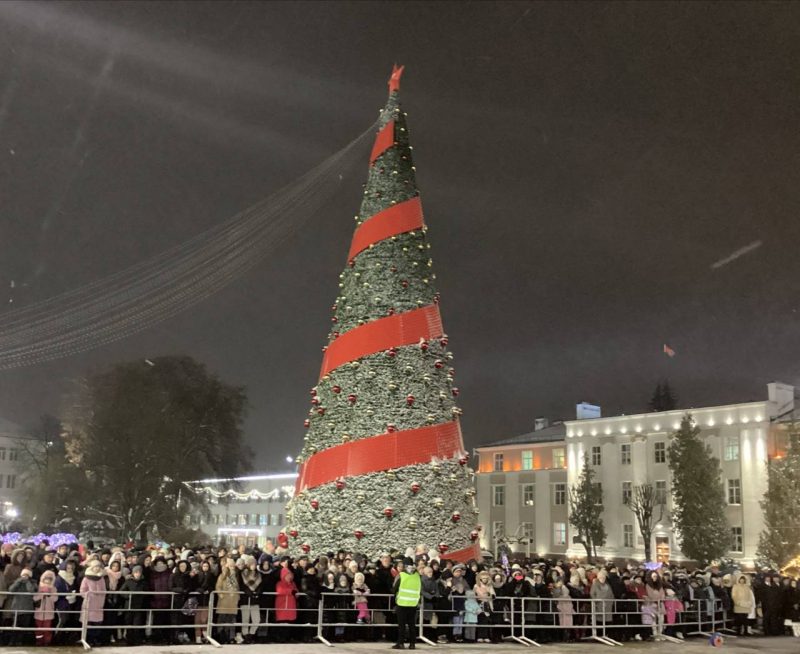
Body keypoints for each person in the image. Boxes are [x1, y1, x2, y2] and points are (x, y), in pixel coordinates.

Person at [392, 556, 420, 650]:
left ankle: (400, 643)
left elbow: (394, 589)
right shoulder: (417, 576)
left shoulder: (401, 575)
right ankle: (412, 644)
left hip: (402, 603)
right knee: (412, 625)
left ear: (404, 565)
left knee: (402, 625)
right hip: (413, 603)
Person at [79, 560, 107, 647]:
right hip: (89, 603)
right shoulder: (86, 578)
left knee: (97, 623)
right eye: (95, 566)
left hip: (99, 604)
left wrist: (101, 596)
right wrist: (89, 595)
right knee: (88, 622)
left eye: (98, 566)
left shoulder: (101, 578)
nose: (97, 568)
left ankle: (95, 639)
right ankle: (88, 639)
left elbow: (104, 590)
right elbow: (82, 591)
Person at [9, 568, 37, 645]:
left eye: (27, 575)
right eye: (24, 574)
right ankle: (12, 642)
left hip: (27, 609)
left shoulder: (33, 582)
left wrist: (27, 582)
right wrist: (19, 581)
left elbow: (31, 591)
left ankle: (20, 642)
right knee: (15, 627)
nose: (25, 576)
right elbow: (11, 590)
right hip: (16, 608)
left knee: (24, 628)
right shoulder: (17, 581)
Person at [34, 569, 57, 646]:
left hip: (48, 612)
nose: (47, 583)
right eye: (45, 581)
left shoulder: (53, 589)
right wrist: (41, 594)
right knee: (38, 628)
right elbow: (34, 598)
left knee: (47, 628)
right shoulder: (38, 588)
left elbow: (55, 599)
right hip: (39, 612)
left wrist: (49, 595)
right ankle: (39, 641)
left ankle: (47, 642)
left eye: (49, 581)